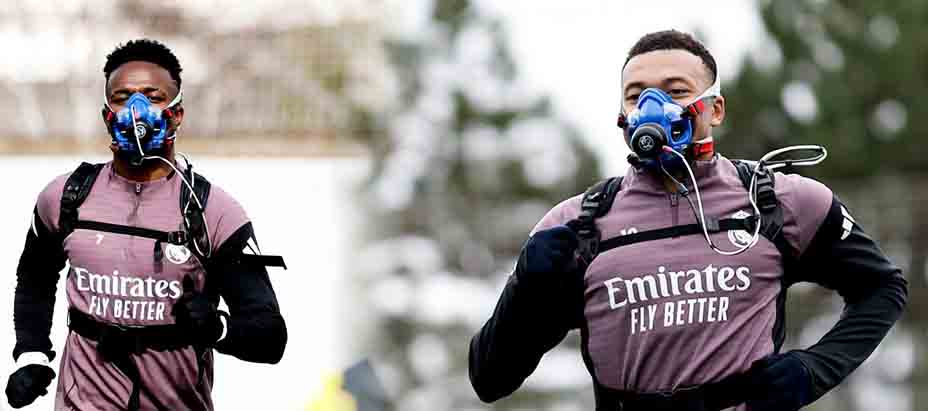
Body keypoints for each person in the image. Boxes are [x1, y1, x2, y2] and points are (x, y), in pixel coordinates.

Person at [469, 30, 908, 411]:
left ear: (715, 109)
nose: (653, 106)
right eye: (636, 95)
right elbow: (490, 379)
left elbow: (882, 287)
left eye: (676, 91)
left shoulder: (779, 201)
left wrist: (814, 369)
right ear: (622, 115)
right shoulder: (577, 225)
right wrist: (525, 290)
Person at [6, 39, 288, 411]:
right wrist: (31, 353)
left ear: (177, 113)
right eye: (122, 98)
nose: (136, 111)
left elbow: (271, 337)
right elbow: (35, 277)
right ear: (107, 115)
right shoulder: (65, 197)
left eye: (153, 97)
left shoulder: (213, 211)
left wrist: (218, 327)